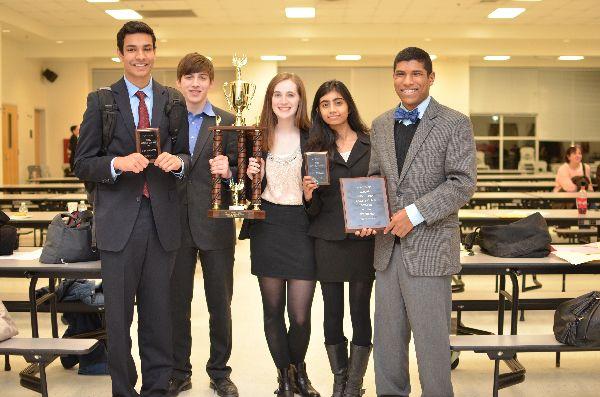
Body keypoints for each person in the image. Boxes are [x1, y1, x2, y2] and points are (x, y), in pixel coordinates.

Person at [74, 21, 190, 397]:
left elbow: (187, 154)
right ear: (121, 54)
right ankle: (123, 390)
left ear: (155, 52)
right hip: (118, 223)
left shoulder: (172, 100)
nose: (140, 56)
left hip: (162, 223)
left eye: (147, 48)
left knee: (159, 318)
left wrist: (179, 163)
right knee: (119, 320)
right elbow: (83, 163)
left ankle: (157, 390)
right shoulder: (101, 101)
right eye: (132, 49)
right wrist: (117, 164)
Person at [357, 47, 476, 397]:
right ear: (393, 77)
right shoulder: (379, 125)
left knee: (431, 344)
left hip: (430, 250)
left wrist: (414, 213)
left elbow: (462, 183)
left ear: (430, 78)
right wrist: (369, 215)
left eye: (416, 74)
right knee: (388, 344)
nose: (407, 82)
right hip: (387, 252)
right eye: (400, 74)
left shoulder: (454, 122)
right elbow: (375, 178)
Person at [240, 72, 320, 397]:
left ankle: (298, 369)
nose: (284, 101)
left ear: (300, 99)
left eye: (290, 95)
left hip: (302, 228)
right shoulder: (257, 138)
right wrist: (247, 176)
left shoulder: (314, 138)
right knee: (272, 312)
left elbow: (322, 195)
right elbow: (245, 194)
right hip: (268, 227)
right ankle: (285, 378)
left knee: (299, 316)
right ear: (270, 100)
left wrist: (312, 194)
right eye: (277, 95)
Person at [167, 53, 238, 397]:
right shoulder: (169, 120)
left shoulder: (228, 120)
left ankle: (220, 372)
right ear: (180, 82)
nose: (195, 84)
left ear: (210, 82)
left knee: (219, 304)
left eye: (202, 78)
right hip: (175, 227)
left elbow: (243, 173)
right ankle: (179, 370)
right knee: (177, 304)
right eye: (188, 77)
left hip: (216, 225)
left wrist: (230, 172)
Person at [302, 80, 374, 397]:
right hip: (328, 239)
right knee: (332, 313)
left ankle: (355, 385)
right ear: (319, 110)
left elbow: (380, 191)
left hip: (363, 240)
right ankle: (339, 379)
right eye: (325, 104)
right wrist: (307, 196)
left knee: (359, 311)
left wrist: (374, 221)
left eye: (338, 102)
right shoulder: (316, 150)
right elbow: (314, 208)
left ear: (348, 106)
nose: (333, 109)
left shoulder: (372, 145)